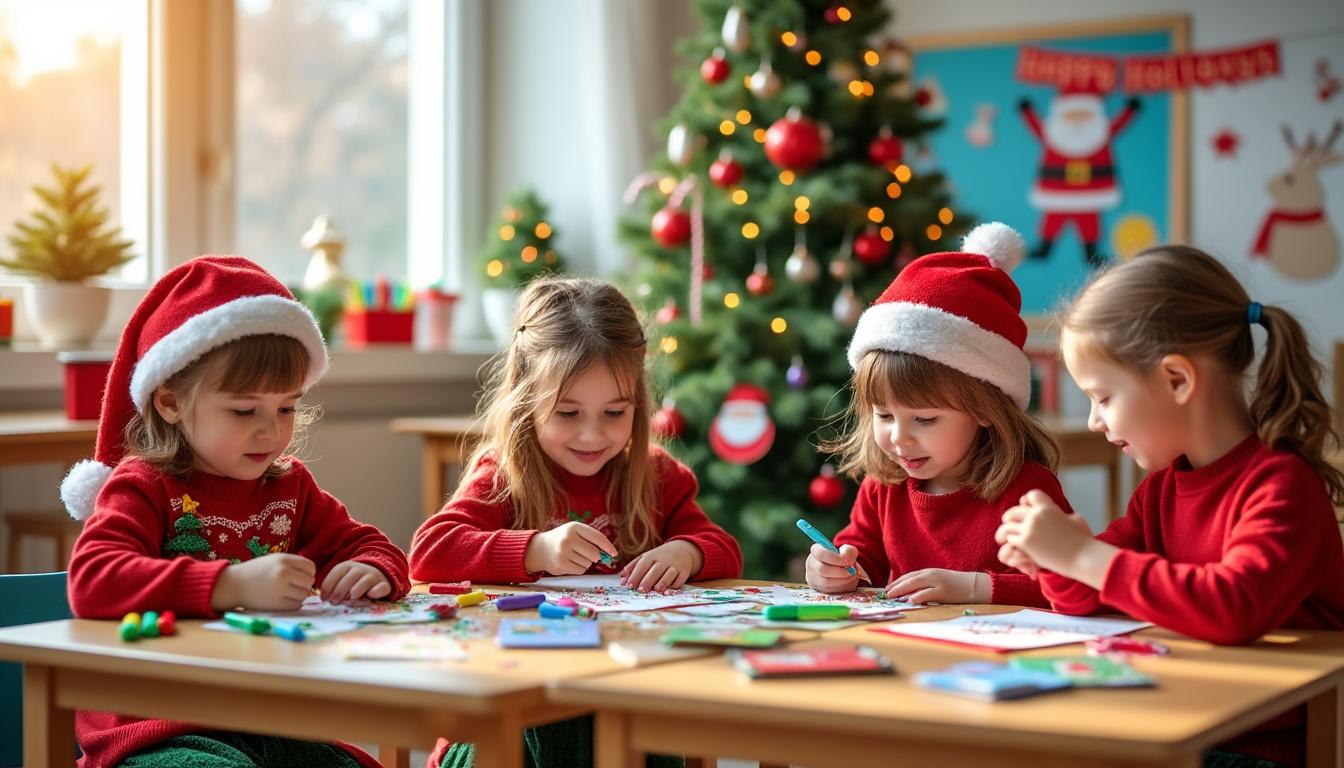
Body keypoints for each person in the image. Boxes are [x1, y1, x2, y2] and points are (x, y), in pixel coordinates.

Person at [997, 245, 1344, 767]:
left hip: (1256, 747)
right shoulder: (1160, 492)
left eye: (1104, 397)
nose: (1094, 421)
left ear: (1177, 380)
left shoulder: (1282, 487)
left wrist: (1080, 558)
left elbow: (1233, 609)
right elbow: (1087, 598)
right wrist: (1054, 562)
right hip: (1181, 718)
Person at [62, 256, 410, 768]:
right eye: (245, 411)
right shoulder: (143, 487)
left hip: (264, 717)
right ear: (170, 403)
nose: (270, 432)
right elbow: (93, 580)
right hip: (153, 727)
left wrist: (372, 570)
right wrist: (232, 585)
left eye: (286, 408)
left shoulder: (288, 486)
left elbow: (373, 546)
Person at [410, 276, 741, 768]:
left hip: (622, 703)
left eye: (614, 412)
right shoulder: (504, 473)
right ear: (527, 402)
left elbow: (723, 548)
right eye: (567, 412)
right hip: (509, 716)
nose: (592, 434)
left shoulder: (656, 475)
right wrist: (534, 550)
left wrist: (686, 552)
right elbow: (429, 551)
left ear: (638, 407)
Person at [807, 222, 1066, 608]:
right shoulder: (883, 487)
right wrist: (833, 570)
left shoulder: (1028, 493)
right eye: (884, 415)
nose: (899, 437)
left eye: (924, 419)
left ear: (985, 409)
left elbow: (1071, 586)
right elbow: (861, 560)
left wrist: (976, 588)